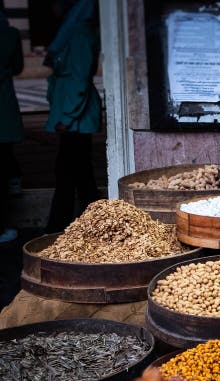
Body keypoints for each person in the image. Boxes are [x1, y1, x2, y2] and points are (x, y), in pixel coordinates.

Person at [45, 0, 101, 233]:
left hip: (75, 117)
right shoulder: (76, 32)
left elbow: (79, 80)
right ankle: (94, 224)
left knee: (69, 173)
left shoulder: (78, 34)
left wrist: (67, 117)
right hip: (73, 115)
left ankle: (59, 226)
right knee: (79, 173)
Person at [0, 1, 23, 243]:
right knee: (5, 153)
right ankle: (14, 177)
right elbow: (17, 67)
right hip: (4, 102)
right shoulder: (11, 34)